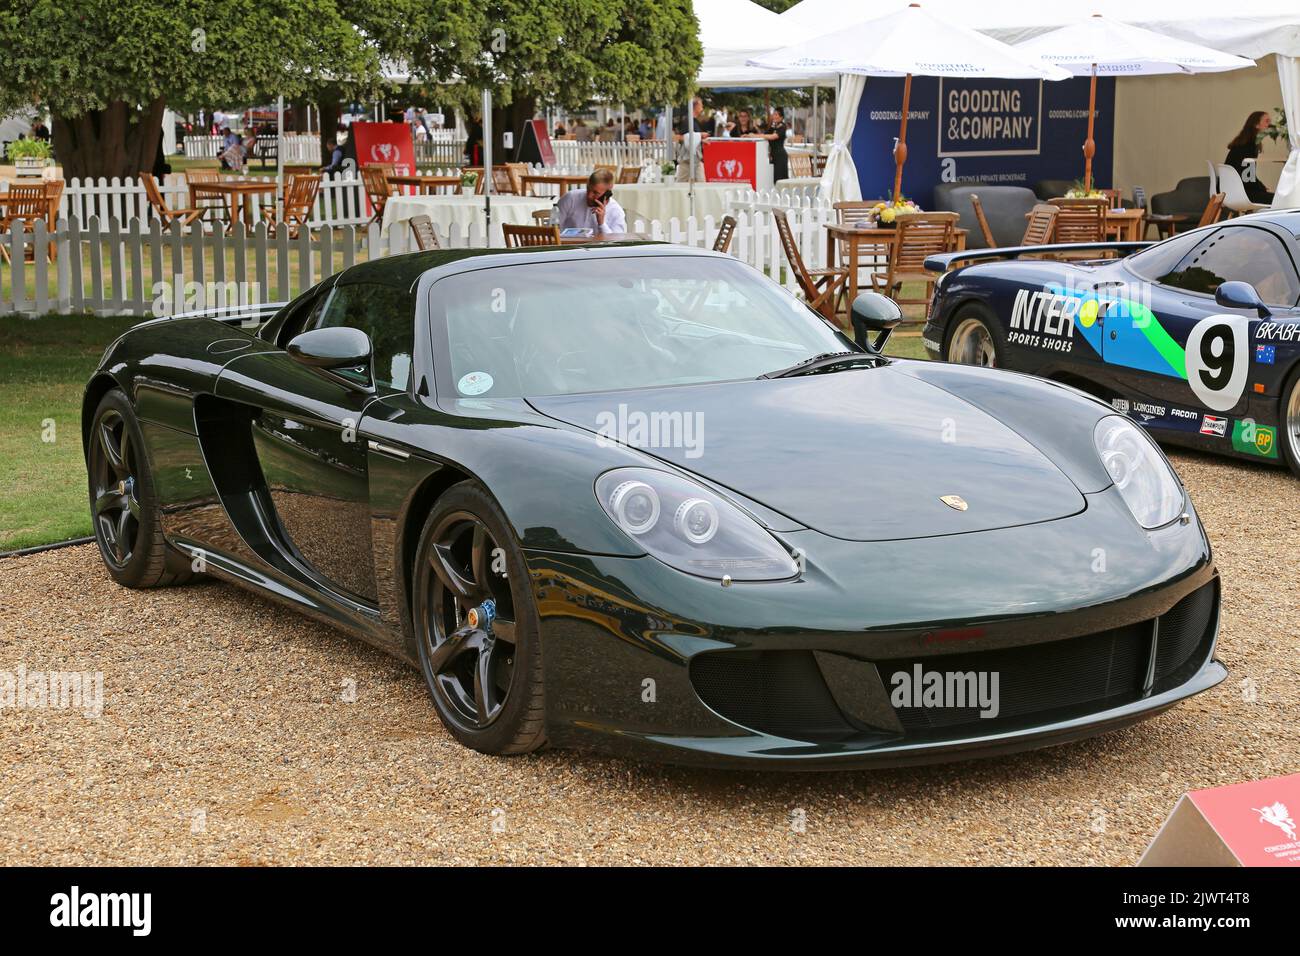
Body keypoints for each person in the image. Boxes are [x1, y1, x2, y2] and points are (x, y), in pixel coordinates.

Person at [551, 168, 627, 235]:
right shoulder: (570, 198)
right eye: (588, 189)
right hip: (569, 248)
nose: (589, 195)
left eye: (595, 193)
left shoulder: (616, 211)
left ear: (607, 193)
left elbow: (616, 243)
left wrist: (602, 224)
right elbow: (553, 230)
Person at [1225, 111, 1274, 204]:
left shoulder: (1244, 144)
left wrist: (1261, 187)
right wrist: (1263, 188)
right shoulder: (1249, 147)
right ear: (1256, 125)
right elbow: (1248, 178)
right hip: (1240, 192)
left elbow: (1247, 175)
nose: (1270, 125)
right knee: (1279, 200)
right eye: (1267, 121)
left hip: (1230, 190)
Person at [762, 106, 790, 182]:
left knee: (780, 179)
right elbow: (764, 134)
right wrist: (753, 135)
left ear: (781, 117)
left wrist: (759, 135)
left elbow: (773, 137)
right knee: (773, 178)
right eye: (773, 114)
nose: (774, 116)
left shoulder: (782, 127)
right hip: (773, 156)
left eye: (776, 114)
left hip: (780, 156)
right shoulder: (773, 127)